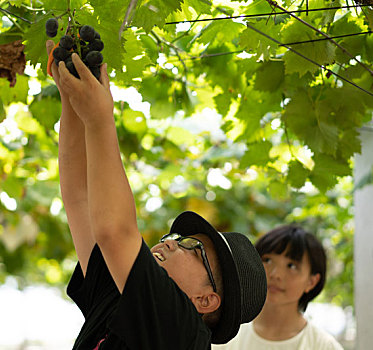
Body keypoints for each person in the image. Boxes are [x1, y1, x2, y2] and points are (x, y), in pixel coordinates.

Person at [46, 40, 267, 349]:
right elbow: (78, 196)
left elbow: (115, 231)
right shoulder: (119, 299)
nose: (170, 243)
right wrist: (71, 94)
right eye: (178, 238)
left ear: (205, 300)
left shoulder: (185, 335)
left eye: (192, 248)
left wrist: (99, 117)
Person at [213, 225, 343, 350]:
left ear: (312, 282)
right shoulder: (222, 338)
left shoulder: (324, 346)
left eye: (292, 266)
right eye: (268, 260)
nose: (276, 274)